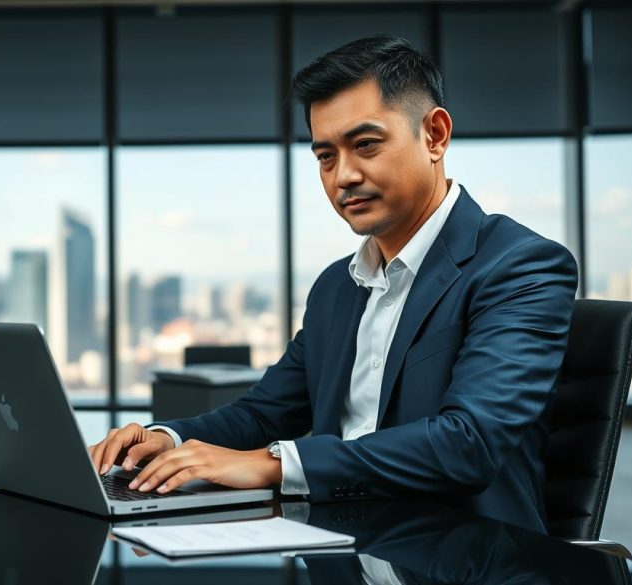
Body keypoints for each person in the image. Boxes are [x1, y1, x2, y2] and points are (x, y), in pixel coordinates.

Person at [88, 35, 577, 532]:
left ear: (435, 135)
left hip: (459, 551)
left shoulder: (521, 266)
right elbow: (264, 414)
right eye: (325, 156)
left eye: (365, 145)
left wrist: (276, 465)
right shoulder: (336, 287)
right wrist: (167, 439)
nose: (342, 176)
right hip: (337, 540)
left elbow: (468, 443)